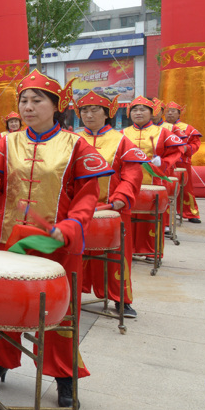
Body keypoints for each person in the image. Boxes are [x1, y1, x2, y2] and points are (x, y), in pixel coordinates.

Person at [0, 71, 114, 408]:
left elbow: (89, 196)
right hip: (12, 240)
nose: (28, 107)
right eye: (23, 101)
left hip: (57, 243)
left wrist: (72, 227)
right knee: (2, 305)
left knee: (59, 313)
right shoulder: (6, 141)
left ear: (56, 106)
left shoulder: (75, 145)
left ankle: (63, 375)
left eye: (37, 100)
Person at [76, 90, 147, 318]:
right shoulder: (73, 139)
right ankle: (73, 295)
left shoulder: (121, 140)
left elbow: (132, 173)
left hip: (112, 209)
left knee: (118, 255)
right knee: (75, 253)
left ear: (107, 114)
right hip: (79, 210)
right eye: (84, 110)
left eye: (95, 110)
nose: (89, 115)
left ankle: (121, 299)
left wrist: (121, 197)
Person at [122, 97, 185, 255]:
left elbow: (178, 150)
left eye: (143, 109)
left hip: (153, 181)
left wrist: (163, 162)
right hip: (128, 183)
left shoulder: (162, 132)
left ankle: (151, 251)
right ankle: (130, 250)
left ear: (152, 113)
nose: (138, 113)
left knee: (151, 218)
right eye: (135, 110)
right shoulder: (123, 133)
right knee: (129, 219)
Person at [162, 101, 202, 223]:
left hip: (182, 161)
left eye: (173, 111)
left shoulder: (187, 128)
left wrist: (187, 148)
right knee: (166, 188)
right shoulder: (161, 127)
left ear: (179, 114)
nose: (170, 113)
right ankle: (165, 216)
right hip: (166, 162)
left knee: (186, 188)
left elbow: (196, 143)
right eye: (168, 111)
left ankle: (191, 213)